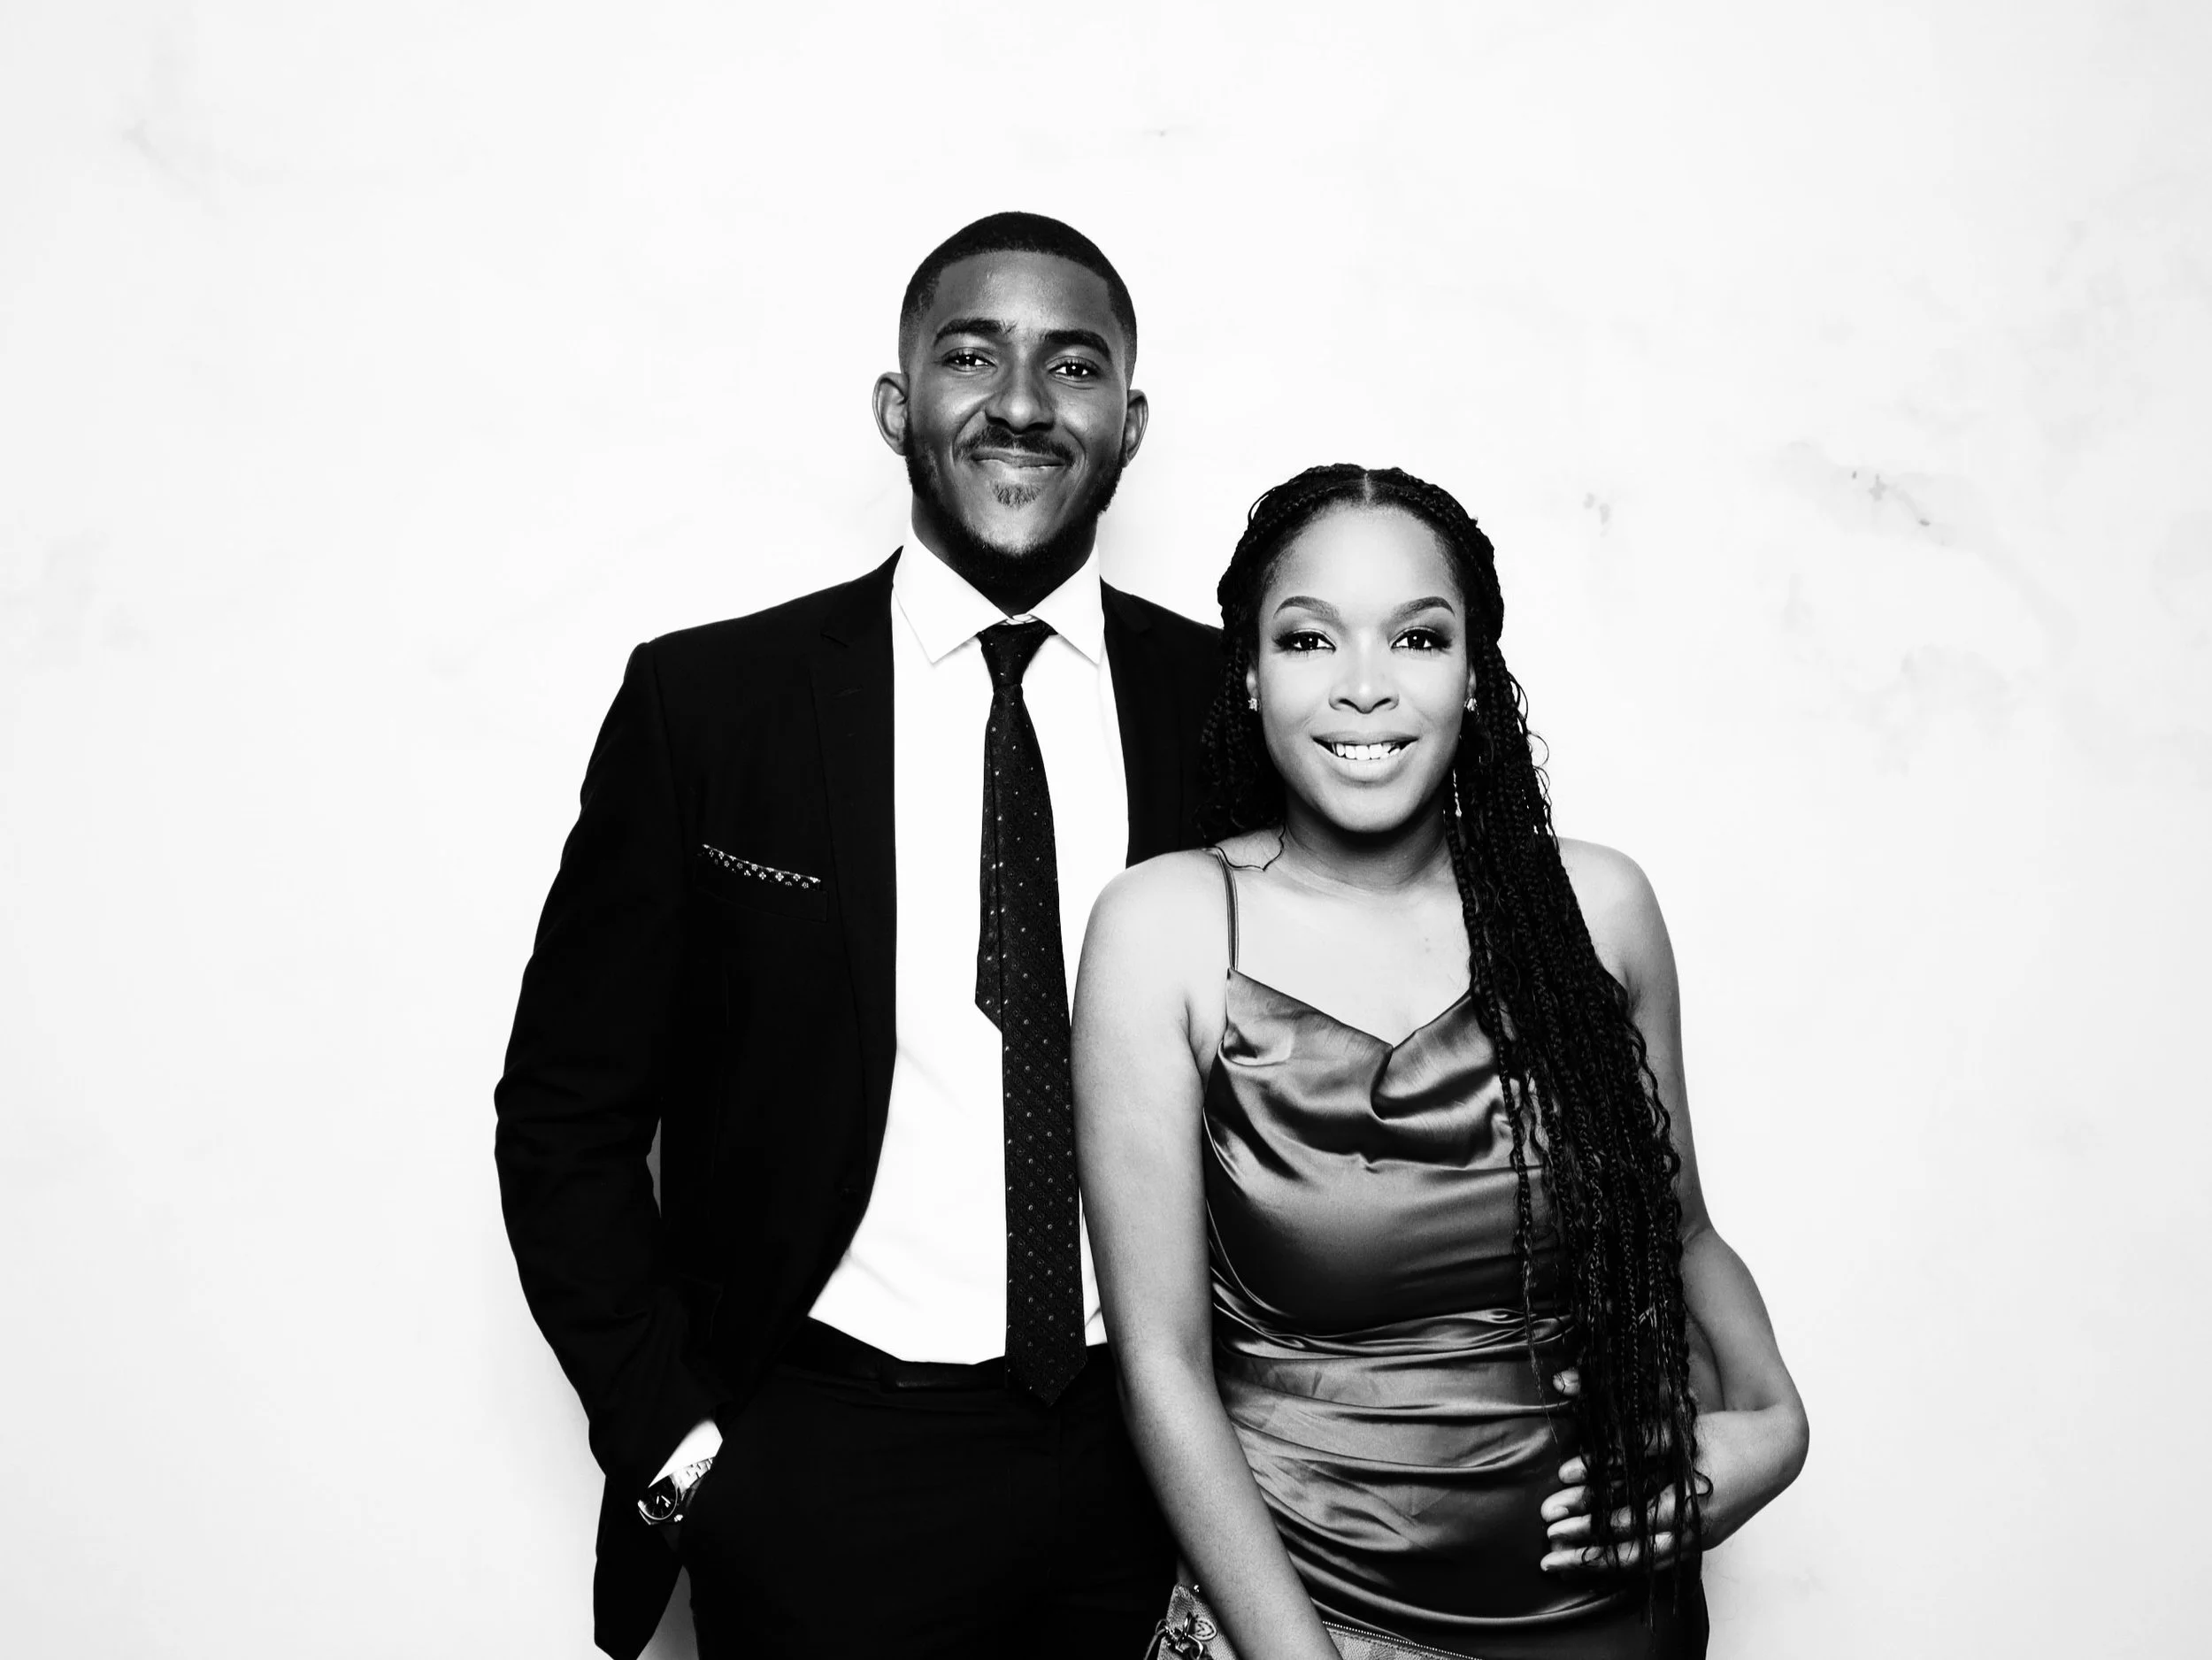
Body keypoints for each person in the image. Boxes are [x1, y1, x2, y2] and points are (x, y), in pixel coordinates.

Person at [494, 212, 1219, 1660]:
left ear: (1130, 426)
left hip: (1157, 1466)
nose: (1023, 402)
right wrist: (678, 1448)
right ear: (898, 406)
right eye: (973, 356)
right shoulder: (713, 707)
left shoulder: (1227, 709)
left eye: (1074, 365)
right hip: (825, 1468)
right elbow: (565, 1116)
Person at [1073, 465, 1809, 1659]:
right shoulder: (1167, 929)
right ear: (1249, 673)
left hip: (1620, 1624)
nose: (1364, 685)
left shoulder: (1596, 910)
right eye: (1309, 639)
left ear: (1475, 674)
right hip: (1319, 1627)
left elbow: (1681, 1235)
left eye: (1417, 637)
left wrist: (1774, 1425)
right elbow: (1161, 1367)